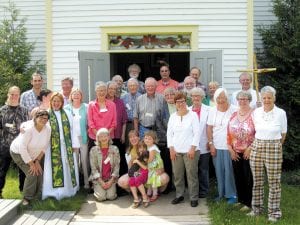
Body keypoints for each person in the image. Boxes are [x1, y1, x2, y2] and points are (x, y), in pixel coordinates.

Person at [247, 86, 287, 222]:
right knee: (257, 181)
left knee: (274, 182)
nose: (266, 100)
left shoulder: (281, 113)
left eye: (269, 97)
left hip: (274, 147)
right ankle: (256, 209)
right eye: (264, 97)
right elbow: (253, 131)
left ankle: (274, 213)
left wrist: (275, 145)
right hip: (257, 146)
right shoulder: (256, 112)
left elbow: (283, 134)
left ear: (274, 98)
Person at [42, 92, 80, 200]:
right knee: (53, 168)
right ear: (51, 102)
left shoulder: (67, 113)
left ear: (62, 103)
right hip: (52, 147)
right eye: (54, 101)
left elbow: (73, 130)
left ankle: (68, 190)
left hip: (66, 146)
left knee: (67, 167)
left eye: (58, 101)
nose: (56, 103)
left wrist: (74, 144)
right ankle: (53, 191)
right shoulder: (47, 114)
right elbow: (36, 123)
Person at [10, 110, 51, 206]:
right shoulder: (28, 129)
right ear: (35, 118)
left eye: (45, 118)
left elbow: (45, 146)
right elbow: (22, 148)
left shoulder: (48, 129)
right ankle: (27, 198)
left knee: (39, 172)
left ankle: (37, 196)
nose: (43, 120)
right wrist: (31, 164)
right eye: (40, 117)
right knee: (32, 173)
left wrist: (37, 161)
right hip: (18, 153)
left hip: (35, 154)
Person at [167, 91, 201, 207]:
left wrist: (192, 148)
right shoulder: (172, 117)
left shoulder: (193, 115)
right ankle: (179, 195)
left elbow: (197, 133)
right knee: (177, 174)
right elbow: (169, 134)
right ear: (175, 103)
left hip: (190, 151)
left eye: (182, 101)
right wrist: (171, 149)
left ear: (186, 102)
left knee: (191, 174)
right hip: (176, 151)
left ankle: (193, 197)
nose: (180, 104)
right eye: (178, 102)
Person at [207, 88, 237, 204]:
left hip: (230, 147)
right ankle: (221, 194)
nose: (220, 100)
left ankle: (232, 194)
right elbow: (209, 128)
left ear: (227, 97)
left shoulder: (234, 110)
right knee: (219, 171)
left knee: (229, 171)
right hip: (217, 146)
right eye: (218, 98)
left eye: (222, 97)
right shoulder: (212, 110)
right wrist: (211, 144)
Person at [227, 90, 255, 209]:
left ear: (249, 100)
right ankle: (241, 199)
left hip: (249, 151)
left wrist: (250, 148)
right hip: (235, 151)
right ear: (237, 101)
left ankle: (249, 203)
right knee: (238, 176)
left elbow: (258, 133)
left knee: (248, 177)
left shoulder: (254, 114)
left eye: (245, 99)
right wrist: (230, 150)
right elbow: (228, 133)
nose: (242, 101)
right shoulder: (233, 114)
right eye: (240, 99)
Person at [0, 86, 29, 198]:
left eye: (16, 94)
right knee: (2, 170)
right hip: (5, 146)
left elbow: (28, 128)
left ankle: (23, 192)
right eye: (12, 94)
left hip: (21, 147)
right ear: (8, 95)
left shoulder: (25, 110)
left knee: (22, 171)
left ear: (19, 96)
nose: (14, 96)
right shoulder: (2, 111)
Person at [64, 89, 89, 189]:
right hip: (72, 139)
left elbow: (89, 121)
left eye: (78, 94)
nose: (76, 96)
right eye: (74, 94)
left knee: (84, 160)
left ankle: (87, 183)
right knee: (74, 161)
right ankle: (76, 184)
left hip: (83, 138)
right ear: (71, 96)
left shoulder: (86, 107)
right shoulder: (66, 108)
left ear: (81, 96)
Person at [189, 87, 211, 198]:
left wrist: (210, 141)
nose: (196, 98)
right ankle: (193, 191)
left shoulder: (209, 109)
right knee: (192, 169)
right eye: (193, 96)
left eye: (198, 96)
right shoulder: (187, 110)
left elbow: (210, 127)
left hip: (204, 143)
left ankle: (204, 191)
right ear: (191, 98)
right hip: (191, 145)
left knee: (203, 168)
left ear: (202, 97)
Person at [89, 128, 120, 202]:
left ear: (109, 137)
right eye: (101, 136)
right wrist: (101, 181)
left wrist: (111, 181)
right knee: (101, 198)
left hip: (110, 179)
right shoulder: (93, 150)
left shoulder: (115, 149)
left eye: (105, 136)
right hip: (99, 179)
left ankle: (110, 188)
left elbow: (117, 166)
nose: (103, 138)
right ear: (98, 138)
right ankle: (95, 186)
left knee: (111, 197)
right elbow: (93, 168)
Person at [88, 81, 117, 150]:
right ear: (96, 92)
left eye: (104, 90)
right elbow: (90, 123)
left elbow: (114, 123)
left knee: (108, 158)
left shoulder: (112, 105)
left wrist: (105, 135)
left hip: (108, 137)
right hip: (94, 137)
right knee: (95, 158)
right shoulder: (91, 105)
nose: (102, 92)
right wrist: (99, 135)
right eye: (100, 90)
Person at [144, 130, 167, 202]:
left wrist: (143, 162)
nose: (147, 140)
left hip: (155, 166)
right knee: (149, 178)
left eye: (150, 139)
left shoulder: (152, 148)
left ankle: (155, 194)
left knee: (154, 178)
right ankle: (149, 192)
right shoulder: (148, 146)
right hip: (152, 165)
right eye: (146, 138)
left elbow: (150, 159)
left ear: (153, 140)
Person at [129, 140, 149, 208]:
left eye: (144, 147)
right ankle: (136, 198)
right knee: (131, 180)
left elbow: (146, 168)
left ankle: (145, 197)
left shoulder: (146, 154)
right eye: (140, 147)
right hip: (140, 172)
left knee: (137, 179)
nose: (142, 149)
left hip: (145, 172)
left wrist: (137, 161)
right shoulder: (139, 155)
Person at [121, 78, 141, 145]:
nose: (132, 87)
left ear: (138, 86)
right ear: (128, 87)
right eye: (130, 86)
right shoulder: (123, 98)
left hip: (140, 125)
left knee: (139, 144)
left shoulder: (142, 97)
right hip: (128, 125)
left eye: (134, 85)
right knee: (128, 144)